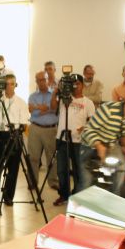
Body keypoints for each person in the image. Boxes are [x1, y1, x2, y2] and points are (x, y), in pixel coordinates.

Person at [79, 88, 125, 196]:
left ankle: (114, 197)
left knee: (121, 166)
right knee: (86, 183)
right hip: (90, 145)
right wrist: (98, 145)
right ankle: (79, 208)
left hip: (111, 145)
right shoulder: (108, 109)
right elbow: (87, 131)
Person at [51, 74, 94, 206]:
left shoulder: (88, 102)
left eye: (77, 83)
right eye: (73, 83)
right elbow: (53, 108)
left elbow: (93, 121)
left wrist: (85, 127)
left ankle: (76, 196)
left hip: (78, 141)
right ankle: (64, 195)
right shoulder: (65, 98)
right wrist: (55, 93)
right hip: (62, 139)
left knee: (78, 170)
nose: (75, 86)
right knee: (61, 170)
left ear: (82, 85)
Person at [0, 75, 29, 206]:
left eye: (11, 84)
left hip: (14, 136)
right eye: (6, 84)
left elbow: (24, 123)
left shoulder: (21, 102)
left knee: (13, 168)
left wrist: (16, 128)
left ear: (15, 85)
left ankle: (8, 196)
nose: (8, 86)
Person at [28, 71, 58, 192]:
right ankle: (33, 182)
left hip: (51, 129)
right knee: (33, 158)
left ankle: (53, 182)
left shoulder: (54, 94)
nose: (41, 82)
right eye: (38, 80)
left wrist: (41, 108)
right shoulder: (32, 96)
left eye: (43, 80)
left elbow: (55, 109)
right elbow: (33, 112)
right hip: (35, 128)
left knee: (51, 157)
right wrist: (46, 108)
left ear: (47, 80)